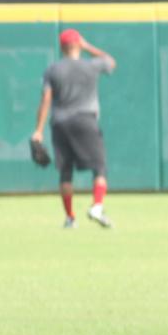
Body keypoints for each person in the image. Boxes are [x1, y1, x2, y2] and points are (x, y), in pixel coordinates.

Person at [31, 29, 115, 230]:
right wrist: (88, 47)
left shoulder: (52, 70)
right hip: (86, 120)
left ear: (61, 47)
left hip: (60, 122)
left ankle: (70, 218)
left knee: (65, 171)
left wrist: (38, 130)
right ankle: (97, 206)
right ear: (78, 45)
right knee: (99, 166)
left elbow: (46, 99)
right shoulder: (91, 65)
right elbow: (110, 62)